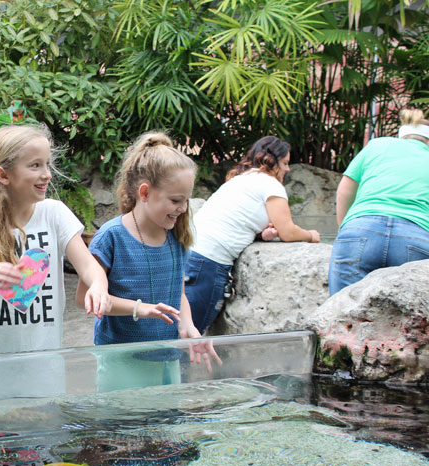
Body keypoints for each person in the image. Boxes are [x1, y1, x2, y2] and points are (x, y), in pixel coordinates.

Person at [0, 123, 110, 357]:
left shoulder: (55, 214)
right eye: (35, 165)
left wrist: (99, 286)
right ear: (4, 175)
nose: (47, 174)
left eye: (47, 164)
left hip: (44, 372)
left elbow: (89, 267)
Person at [76, 131, 220, 384]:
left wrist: (188, 327)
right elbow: (83, 298)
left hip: (167, 356)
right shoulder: (111, 237)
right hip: (122, 360)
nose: (183, 208)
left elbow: (179, 293)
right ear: (144, 192)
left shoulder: (177, 236)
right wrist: (139, 309)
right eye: (176, 200)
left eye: (186, 200)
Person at [184, 136, 321, 334]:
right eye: (284, 163)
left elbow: (237, 220)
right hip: (208, 262)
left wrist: (260, 234)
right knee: (189, 334)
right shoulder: (271, 185)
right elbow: (288, 231)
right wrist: (311, 235)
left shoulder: (243, 179)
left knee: (176, 328)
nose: (288, 169)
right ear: (270, 160)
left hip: (191, 253)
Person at [328, 108, 429, 295]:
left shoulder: (377, 145)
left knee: (342, 315)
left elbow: (344, 191)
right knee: (408, 321)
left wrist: (346, 228)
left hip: (360, 229)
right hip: (416, 237)